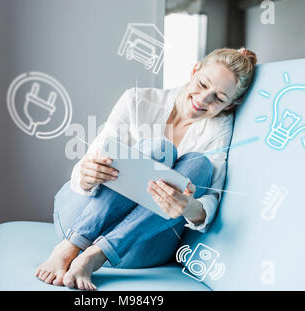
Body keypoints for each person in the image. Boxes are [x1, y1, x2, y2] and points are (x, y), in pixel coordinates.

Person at [35, 47, 257, 290]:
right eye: (203, 84)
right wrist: (88, 175)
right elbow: (92, 162)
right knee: (160, 148)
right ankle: (72, 246)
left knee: (199, 164)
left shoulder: (220, 127)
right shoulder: (137, 100)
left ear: (229, 105)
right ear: (194, 70)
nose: (204, 99)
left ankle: (94, 255)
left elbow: (209, 201)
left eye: (219, 98)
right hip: (79, 219)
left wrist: (188, 206)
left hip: (135, 246)